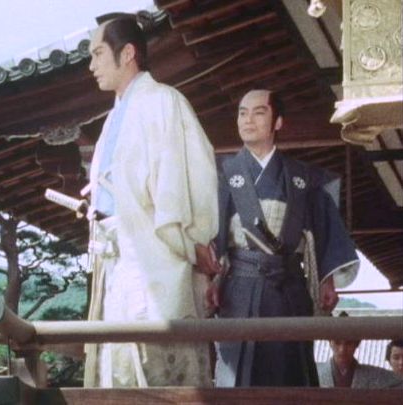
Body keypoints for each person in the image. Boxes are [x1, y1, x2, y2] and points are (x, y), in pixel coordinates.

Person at [83, 16, 220, 388]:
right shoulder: (114, 117)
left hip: (153, 251)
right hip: (115, 255)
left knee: (157, 364)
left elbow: (183, 180)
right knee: (119, 366)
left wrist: (194, 240)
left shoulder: (163, 101)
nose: (91, 65)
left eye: (98, 53)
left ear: (127, 53)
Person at [211, 89, 360, 387]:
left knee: (290, 372)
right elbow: (207, 233)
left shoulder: (302, 177)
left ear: (278, 122)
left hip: (288, 286)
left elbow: (324, 227)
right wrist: (210, 279)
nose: (247, 120)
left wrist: (326, 280)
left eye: (258, 112)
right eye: (242, 113)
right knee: (236, 374)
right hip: (238, 285)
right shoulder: (222, 173)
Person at [317, 322, 403, 388]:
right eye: (337, 343)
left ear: (357, 343)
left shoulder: (375, 375)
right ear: (330, 342)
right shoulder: (315, 372)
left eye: (349, 343)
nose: (342, 349)